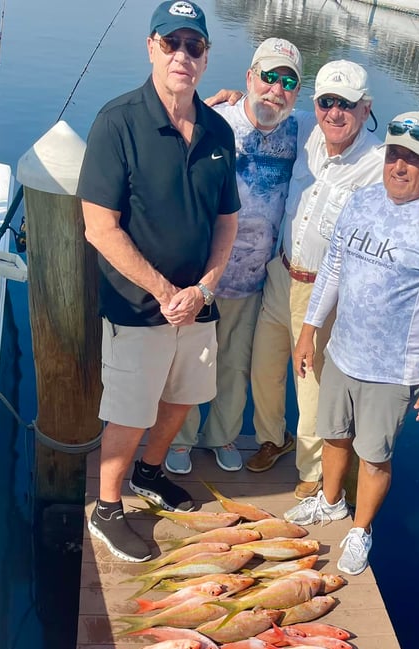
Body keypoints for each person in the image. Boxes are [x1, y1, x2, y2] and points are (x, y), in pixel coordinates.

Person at [246, 61, 419, 501]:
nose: (335, 113)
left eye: (346, 104)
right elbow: (267, 108)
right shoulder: (306, 128)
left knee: (311, 384)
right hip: (280, 271)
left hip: (324, 290)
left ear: (366, 109)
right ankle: (272, 438)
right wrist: (233, 98)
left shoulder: (379, 158)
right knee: (264, 369)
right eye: (326, 102)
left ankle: (313, 475)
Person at [77, 1, 240, 562]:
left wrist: (205, 289)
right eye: (171, 44)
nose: (182, 56)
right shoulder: (116, 122)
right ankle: (107, 508)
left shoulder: (219, 130)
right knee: (129, 409)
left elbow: (227, 222)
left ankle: (150, 473)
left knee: (181, 398)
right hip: (137, 308)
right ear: (151, 47)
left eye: (193, 47)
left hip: (198, 305)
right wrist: (166, 293)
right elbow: (99, 227)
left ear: (205, 56)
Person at [284, 112, 419, 576]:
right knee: (333, 433)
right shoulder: (362, 200)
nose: (400, 166)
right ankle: (330, 502)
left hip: (393, 371)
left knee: (374, 456)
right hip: (341, 352)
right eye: (394, 154)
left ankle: (361, 530)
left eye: (414, 158)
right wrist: (310, 328)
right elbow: (333, 265)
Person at [165, 37, 303, 477]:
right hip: (202, 275)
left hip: (253, 281)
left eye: (287, 81)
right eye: (267, 76)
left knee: (234, 366)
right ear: (249, 78)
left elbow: (359, 137)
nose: (275, 89)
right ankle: (181, 439)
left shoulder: (301, 131)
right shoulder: (214, 121)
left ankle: (222, 435)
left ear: (296, 93)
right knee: (188, 363)